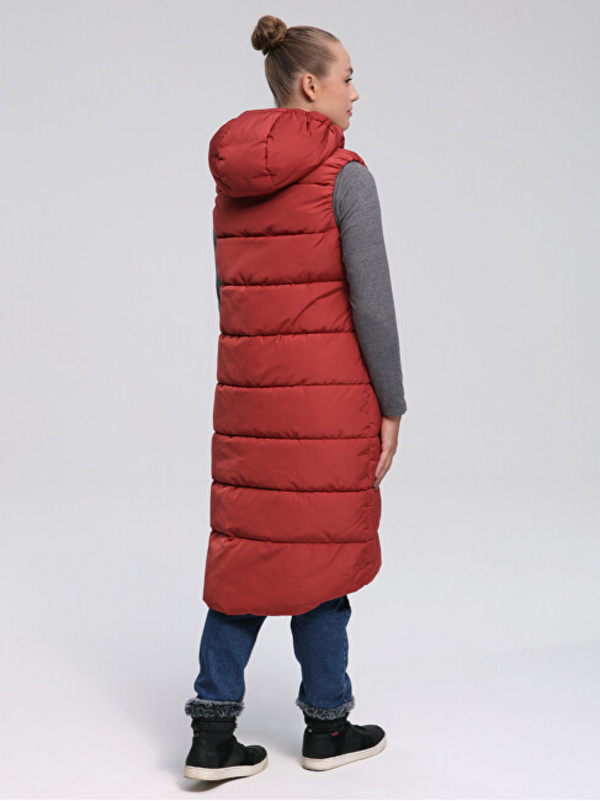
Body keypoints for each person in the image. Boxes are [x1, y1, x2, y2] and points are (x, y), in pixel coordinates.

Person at [183, 15, 408, 781]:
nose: (356, 93)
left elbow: (234, 300)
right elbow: (373, 306)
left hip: (248, 405)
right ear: (310, 84)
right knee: (322, 562)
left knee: (245, 560)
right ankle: (328, 726)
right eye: (348, 77)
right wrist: (392, 403)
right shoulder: (346, 176)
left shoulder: (231, 185)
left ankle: (211, 734)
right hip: (327, 408)